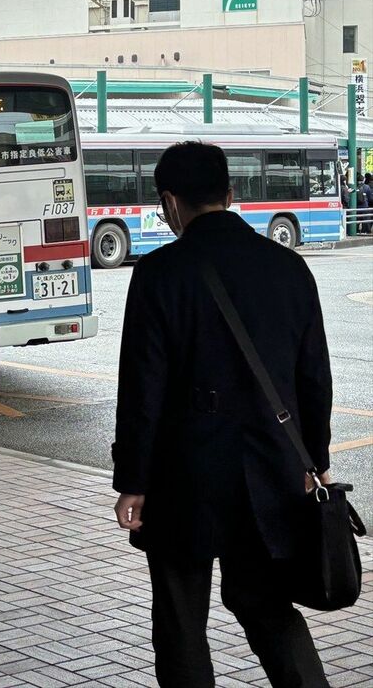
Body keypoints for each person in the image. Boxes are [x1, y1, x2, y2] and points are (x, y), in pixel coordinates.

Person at [113, 141, 332, 688]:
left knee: (182, 619)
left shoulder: (159, 273)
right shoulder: (288, 267)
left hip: (182, 474)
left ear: (169, 201)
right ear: (230, 195)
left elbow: (142, 389)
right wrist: (316, 462)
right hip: (273, 468)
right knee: (264, 603)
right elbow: (314, 380)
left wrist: (133, 481)